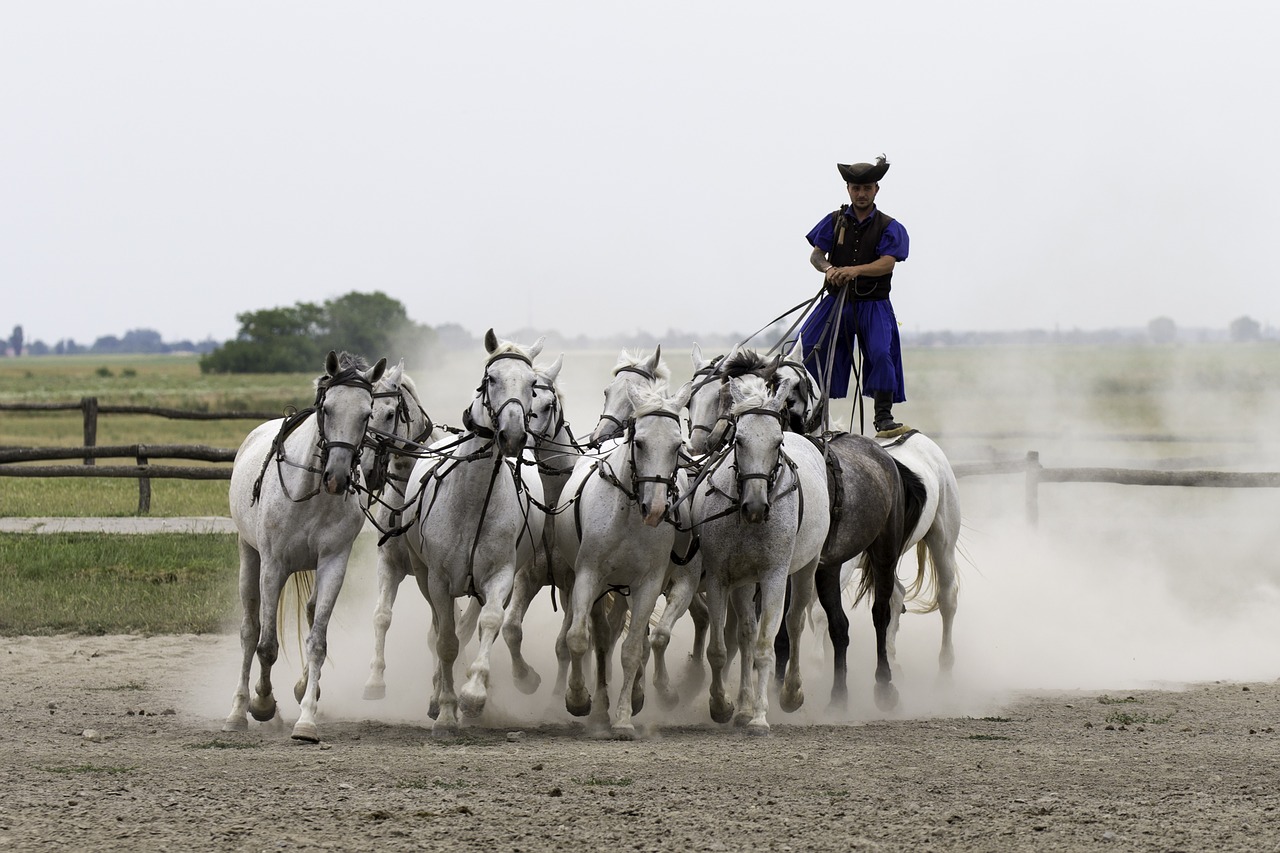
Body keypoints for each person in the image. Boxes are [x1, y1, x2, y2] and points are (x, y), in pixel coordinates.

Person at [798, 154, 910, 436]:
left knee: (881, 353)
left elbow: (888, 262)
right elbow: (816, 256)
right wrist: (829, 269)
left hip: (874, 306)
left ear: (876, 190)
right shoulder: (834, 220)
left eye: (867, 188)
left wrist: (854, 271)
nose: (861, 193)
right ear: (848, 189)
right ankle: (808, 412)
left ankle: (883, 418)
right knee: (806, 346)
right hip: (837, 303)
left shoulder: (889, 226)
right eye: (856, 188)